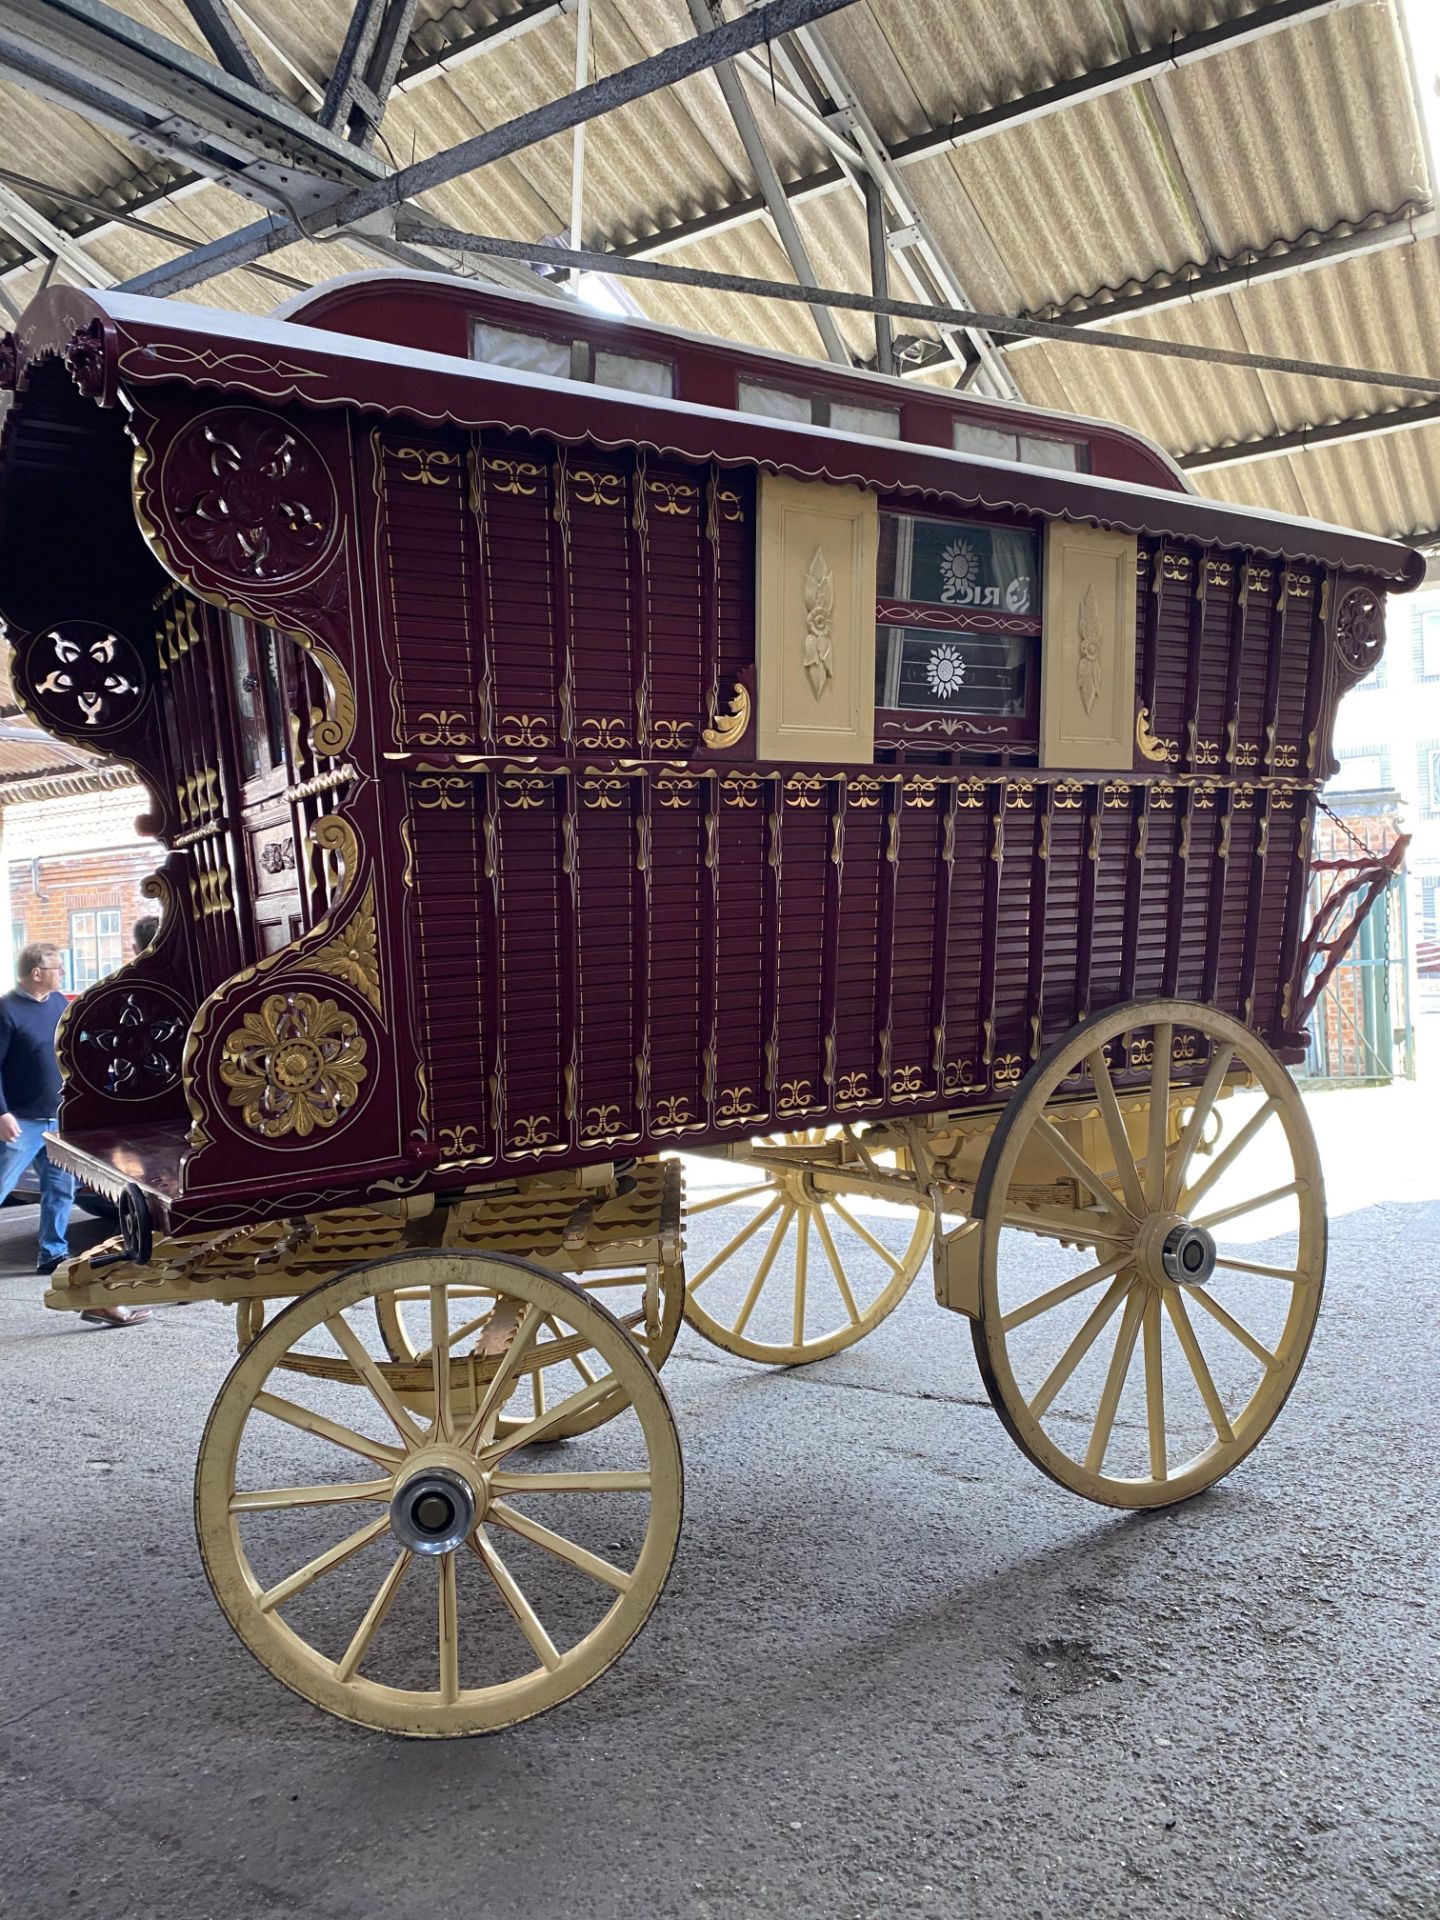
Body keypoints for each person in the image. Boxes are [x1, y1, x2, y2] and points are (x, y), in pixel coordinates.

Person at [0, 943, 149, 1328]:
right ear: (36, 972)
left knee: (60, 1190)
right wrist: (2, 1112)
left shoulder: (57, 1006)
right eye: (56, 967)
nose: (62, 973)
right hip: (21, 1120)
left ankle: (52, 1253)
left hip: (57, 1118)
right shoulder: (6, 1010)